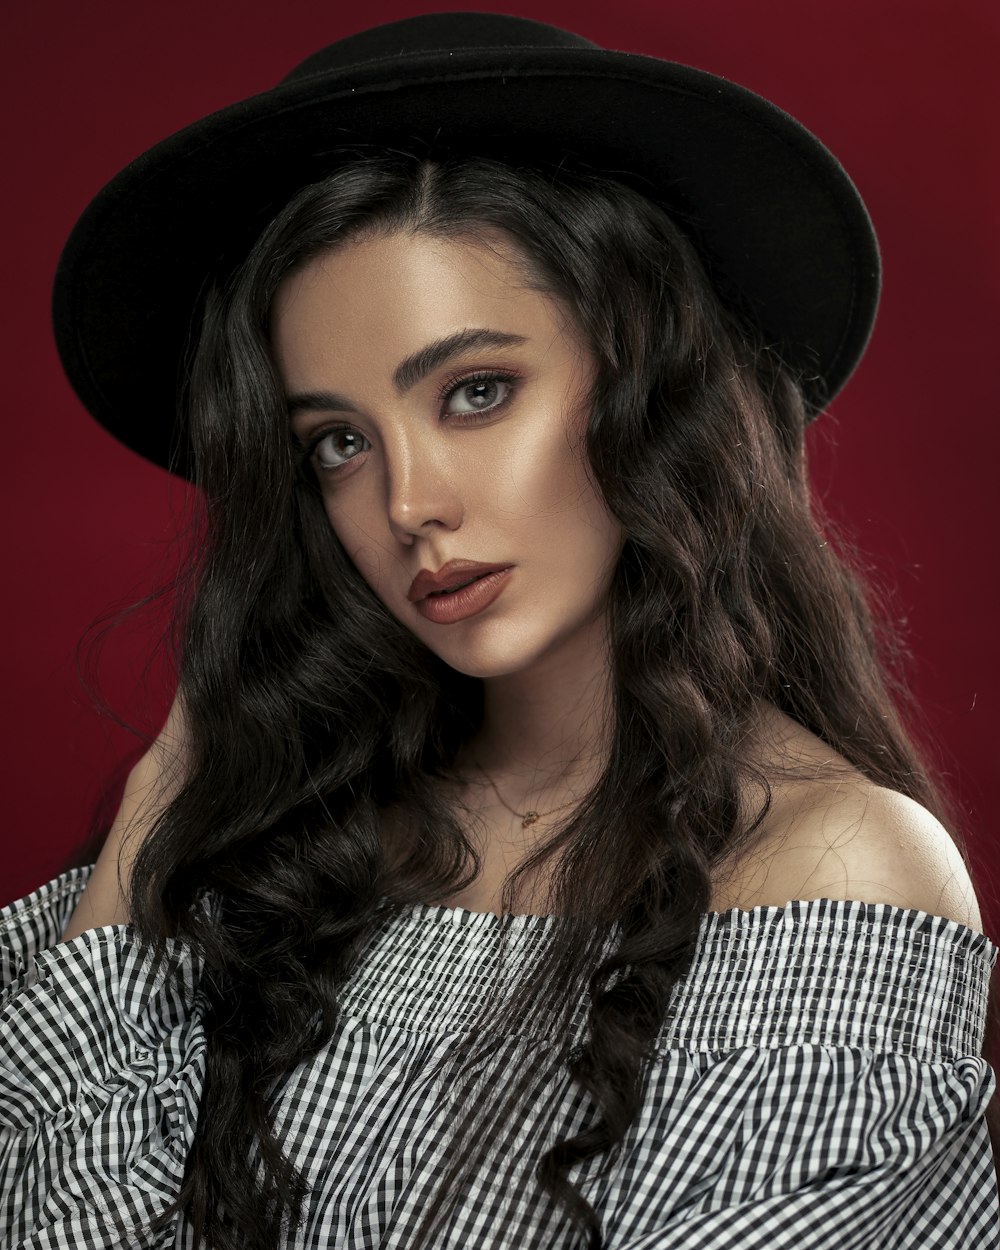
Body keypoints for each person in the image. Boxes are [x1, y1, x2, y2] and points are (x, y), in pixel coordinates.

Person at [1, 11, 996, 1250]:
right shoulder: (279, 843)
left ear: (647, 384)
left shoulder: (828, 868)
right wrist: (149, 828)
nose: (407, 502)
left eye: (476, 391)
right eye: (338, 442)